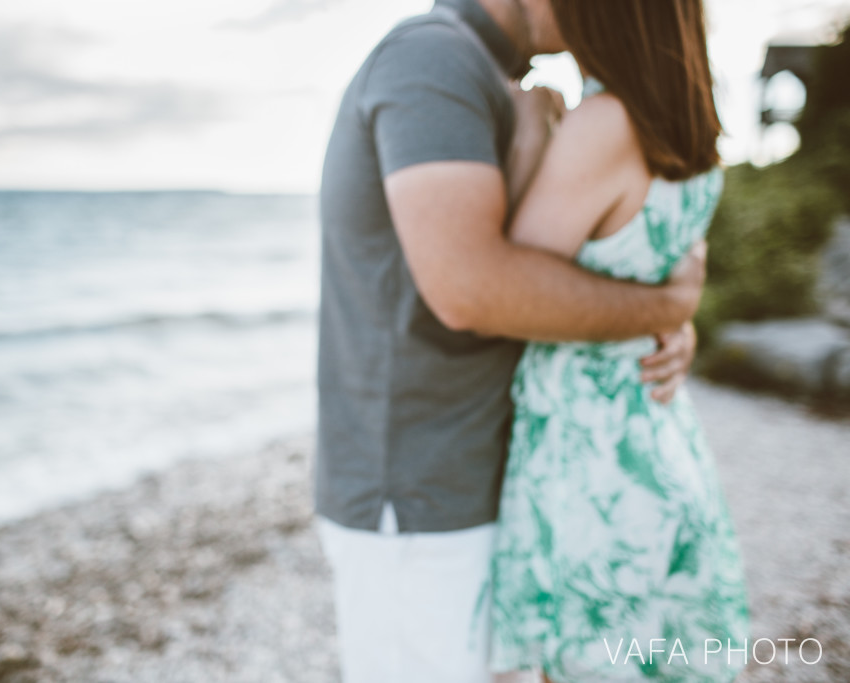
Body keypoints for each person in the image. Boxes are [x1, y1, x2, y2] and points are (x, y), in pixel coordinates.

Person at [315, 0, 705, 681]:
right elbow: (472, 289)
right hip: (419, 495)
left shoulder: (497, 75)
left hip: (496, 480)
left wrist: (662, 319)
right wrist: (661, 307)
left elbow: (563, 270)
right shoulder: (431, 59)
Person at [487, 1, 750, 682]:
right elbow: (661, 259)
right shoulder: (688, 121)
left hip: (592, 457)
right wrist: (674, 312)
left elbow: (512, 287)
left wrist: (527, 132)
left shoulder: (603, 124)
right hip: (656, 434)